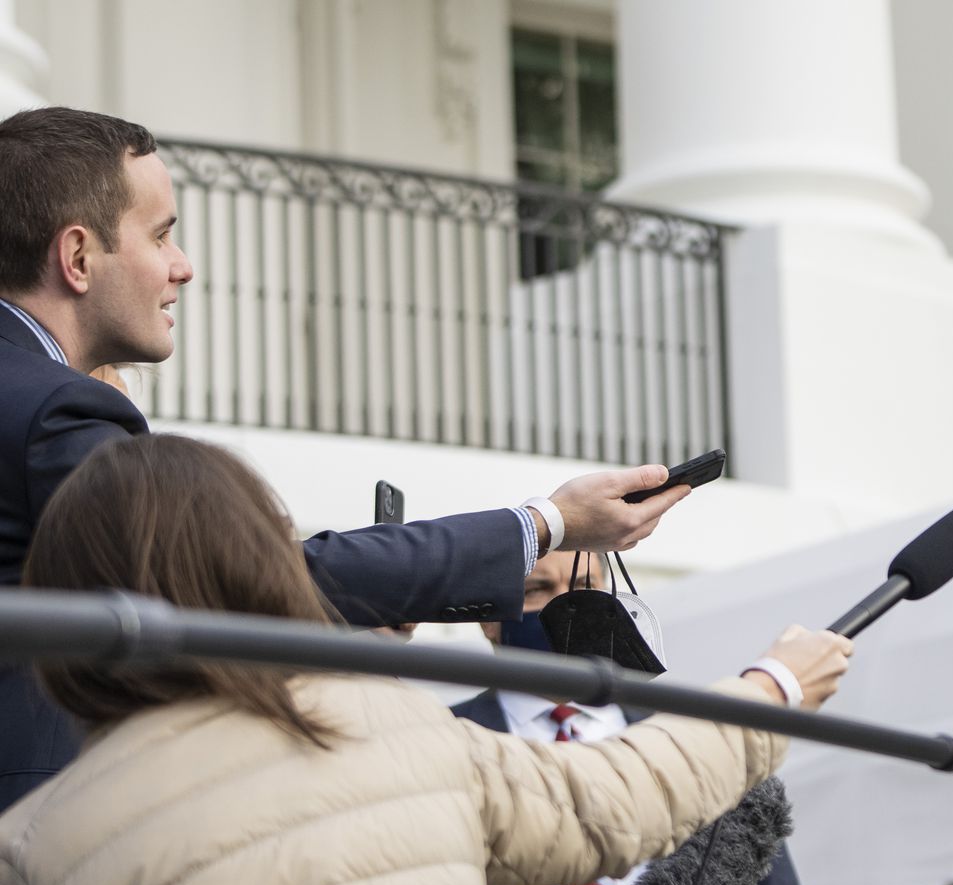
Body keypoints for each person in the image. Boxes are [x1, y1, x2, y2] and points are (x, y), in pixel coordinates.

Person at [0, 434, 855, 885]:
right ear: (261, 569)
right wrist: (772, 686)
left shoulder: (31, 849)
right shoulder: (400, 728)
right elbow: (619, 802)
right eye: (530, 589)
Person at [0, 106, 694, 810]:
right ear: (78, 257)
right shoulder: (60, 410)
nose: (183, 266)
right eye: (161, 235)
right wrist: (546, 524)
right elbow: (237, 586)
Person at [459, 550, 839, 885]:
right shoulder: (452, 747)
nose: (565, 606)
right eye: (536, 590)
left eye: (586, 584)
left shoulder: (690, 740)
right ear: (488, 617)